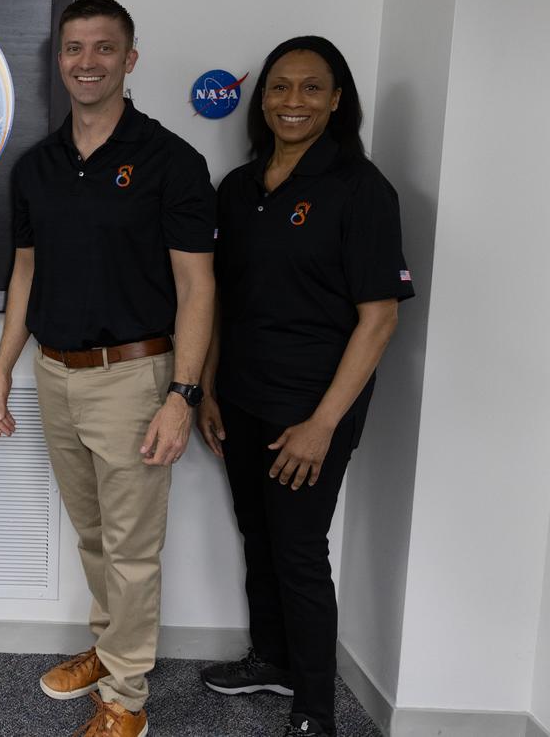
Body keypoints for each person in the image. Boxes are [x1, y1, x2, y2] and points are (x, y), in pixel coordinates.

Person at [0, 0, 217, 737]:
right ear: (59, 60)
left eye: (104, 48)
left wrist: (182, 394)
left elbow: (197, 286)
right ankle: (111, 647)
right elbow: (26, 271)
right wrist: (3, 368)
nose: (88, 62)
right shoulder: (38, 166)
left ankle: (127, 700)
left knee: (132, 549)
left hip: (135, 378)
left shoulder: (172, 162)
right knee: (93, 535)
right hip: (55, 373)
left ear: (130, 59)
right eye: (74, 48)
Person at [196, 36, 413, 737]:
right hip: (241, 396)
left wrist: (323, 425)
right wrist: (208, 387)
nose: (293, 101)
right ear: (262, 100)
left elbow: (379, 320)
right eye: (280, 87)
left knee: (297, 549)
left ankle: (316, 710)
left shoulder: (361, 189)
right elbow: (221, 299)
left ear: (337, 99)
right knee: (258, 535)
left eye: (311, 87)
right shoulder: (238, 188)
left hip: (313, 405)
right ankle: (274, 659)